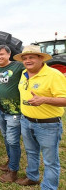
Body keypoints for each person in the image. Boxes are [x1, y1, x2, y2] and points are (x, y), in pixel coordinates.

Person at [13, 45, 66, 189]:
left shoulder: (53, 74)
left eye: (31, 57)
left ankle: (48, 187)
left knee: (50, 161)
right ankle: (32, 177)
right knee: (31, 152)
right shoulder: (24, 74)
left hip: (48, 125)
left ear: (41, 58)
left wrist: (44, 99)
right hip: (26, 121)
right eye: (25, 58)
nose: (27, 60)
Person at [0, 45, 24, 182]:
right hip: (1, 110)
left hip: (14, 112)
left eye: (1, 54)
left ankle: (13, 171)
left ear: (9, 54)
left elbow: (35, 72)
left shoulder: (18, 67)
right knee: (5, 137)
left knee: (13, 141)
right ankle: (10, 161)